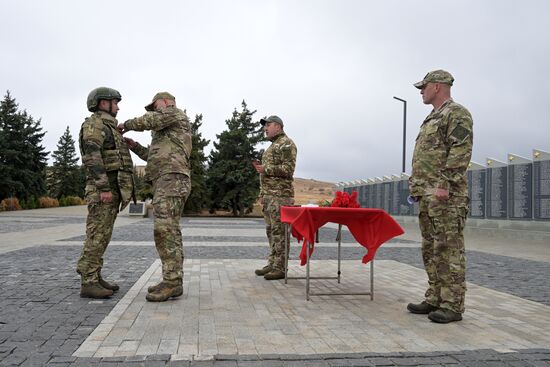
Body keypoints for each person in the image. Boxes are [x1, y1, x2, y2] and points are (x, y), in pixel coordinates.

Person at [407, 70, 473, 323]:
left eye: (423, 87)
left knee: (448, 248)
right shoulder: (431, 117)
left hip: (446, 195)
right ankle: (435, 296)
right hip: (427, 195)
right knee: (431, 248)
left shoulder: (456, 113)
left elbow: (460, 150)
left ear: (437, 86)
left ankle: (452, 304)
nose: (421, 91)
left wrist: (444, 184)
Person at [118, 92, 192, 302]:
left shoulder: (174, 114)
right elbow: (155, 156)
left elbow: (151, 120)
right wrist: (136, 147)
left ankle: (172, 281)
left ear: (167, 103)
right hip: (166, 179)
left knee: (165, 230)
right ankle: (172, 280)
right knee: (168, 230)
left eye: (155, 105)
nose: (153, 110)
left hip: (172, 179)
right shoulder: (166, 129)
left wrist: (127, 124)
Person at [77, 87, 135, 298]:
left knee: (103, 236)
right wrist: (104, 188)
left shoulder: (108, 127)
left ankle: (95, 275)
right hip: (103, 191)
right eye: (115, 102)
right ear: (103, 103)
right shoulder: (95, 124)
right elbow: (92, 157)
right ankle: (88, 281)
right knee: (96, 236)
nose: (118, 106)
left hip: (110, 190)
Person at [253, 115, 297, 280]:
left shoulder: (287, 144)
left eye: (268, 125)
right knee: (271, 231)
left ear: (278, 126)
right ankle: (272, 263)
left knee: (280, 232)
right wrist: (262, 195)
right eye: (265, 126)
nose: (265, 128)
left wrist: (266, 169)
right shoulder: (272, 147)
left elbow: (288, 169)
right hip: (270, 197)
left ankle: (280, 268)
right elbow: (265, 176)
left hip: (281, 197)